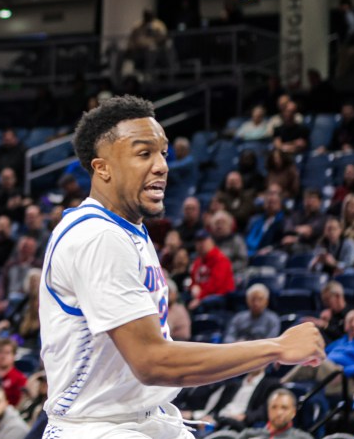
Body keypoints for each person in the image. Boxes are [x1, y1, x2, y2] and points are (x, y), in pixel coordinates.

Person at [38, 95, 325, 438]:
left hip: (145, 418)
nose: (161, 165)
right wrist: (276, 348)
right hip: (97, 428)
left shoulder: (126, 229)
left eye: (162, 152)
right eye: (144, 153)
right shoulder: (98, 237)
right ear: (103, 168)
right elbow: (152, 361)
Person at [238, 388, 314, 439]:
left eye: (284, 408)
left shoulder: (303, 438)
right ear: (268, 410)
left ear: (293, 412)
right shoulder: (249, 434)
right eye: (274, 407)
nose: (278, 413)